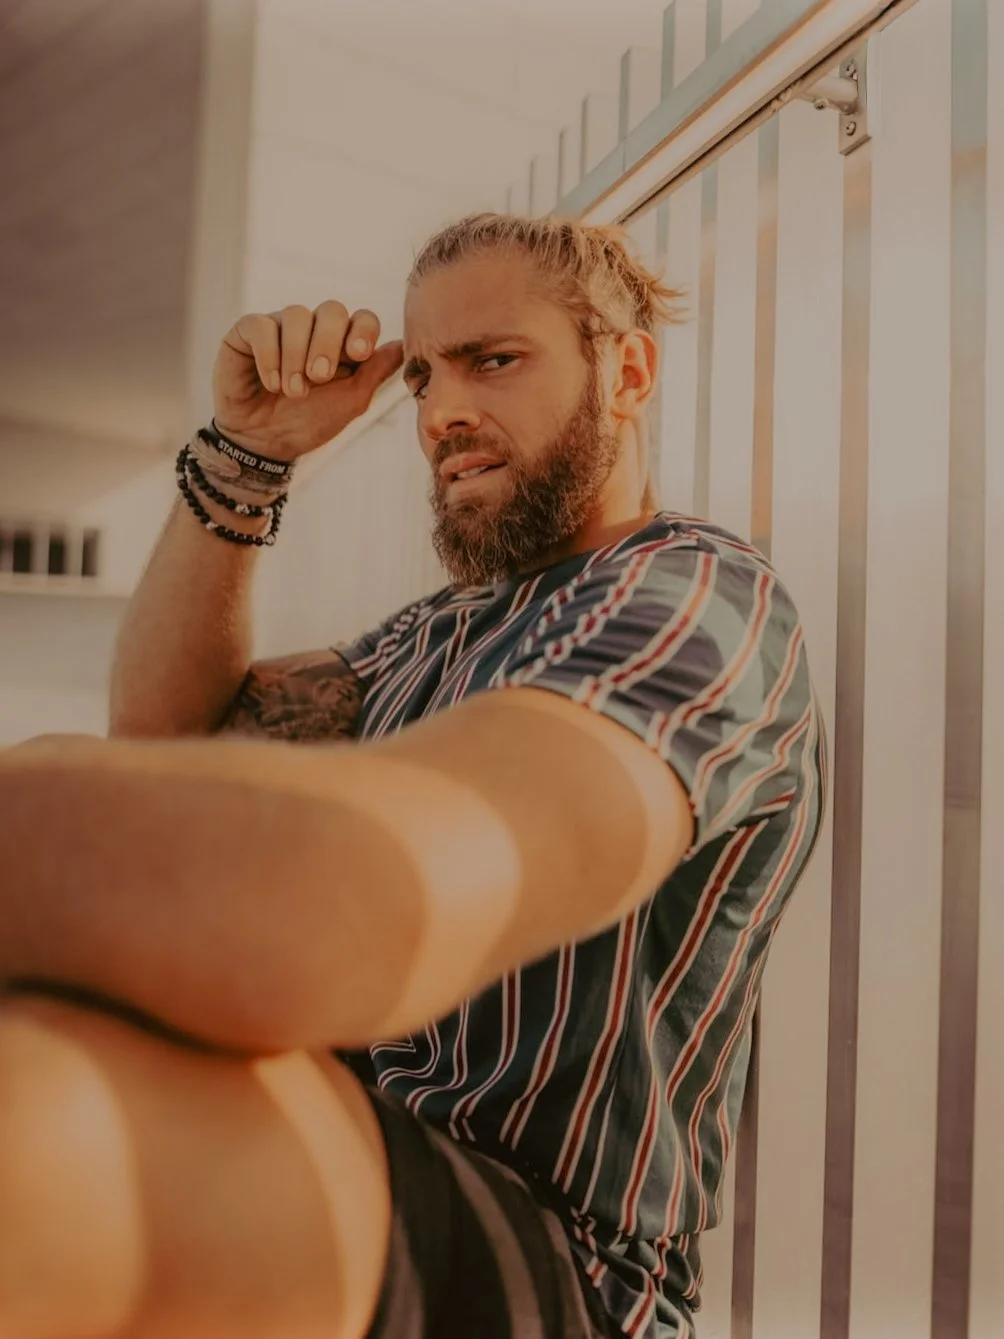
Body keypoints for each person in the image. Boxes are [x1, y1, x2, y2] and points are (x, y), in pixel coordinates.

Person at [0, 213, 825, 1339]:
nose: (440, 412)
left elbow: (374, 894)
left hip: (555, 1268)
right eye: (424, 375)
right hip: (365, 1164)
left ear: (624, 370)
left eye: (494, 359)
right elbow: (164, 742)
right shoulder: (432, 633)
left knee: (41, 1124)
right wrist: (253, 451)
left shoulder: (689, 599)